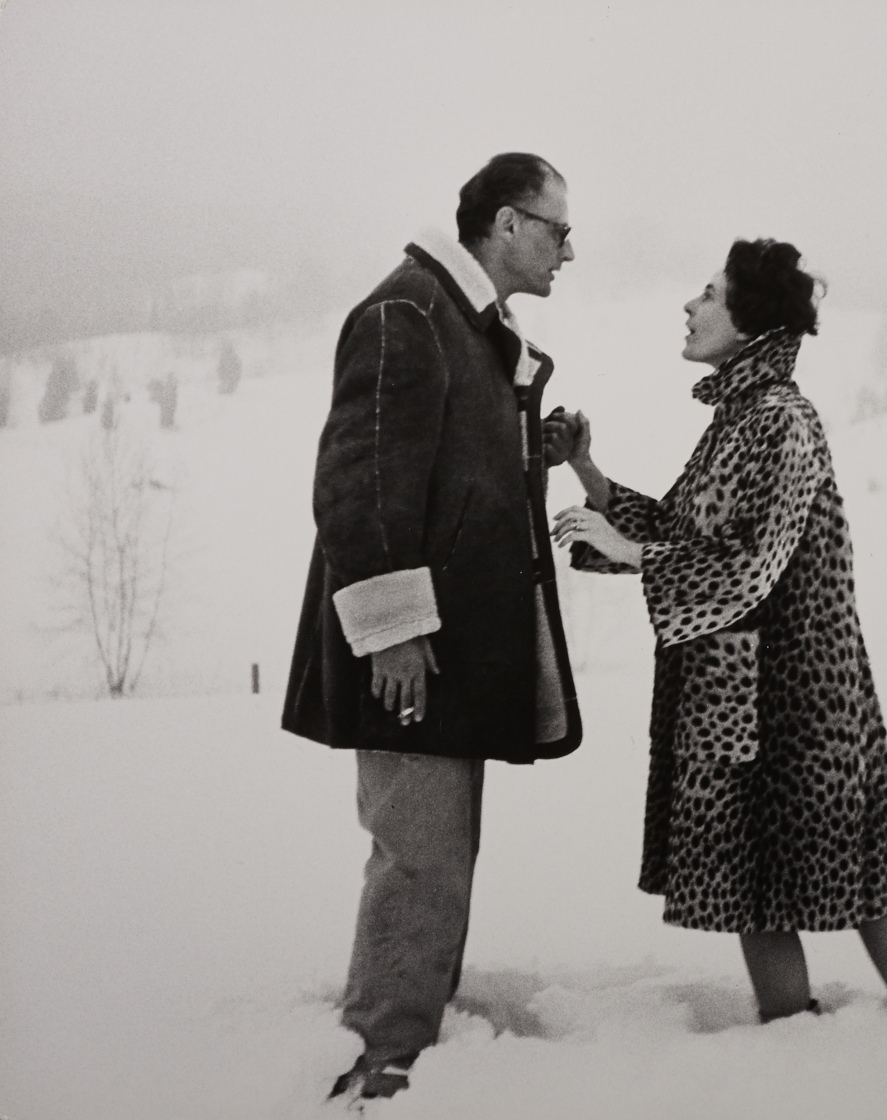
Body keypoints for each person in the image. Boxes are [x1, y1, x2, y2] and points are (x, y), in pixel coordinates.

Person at [550, 238, 887, 1028]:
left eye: (708, 294)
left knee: (863, 884)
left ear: (752, 323)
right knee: (758, 892)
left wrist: (633, 550)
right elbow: (681, 532)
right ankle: (792, 1047)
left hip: (804, 709)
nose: (689, 305)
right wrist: (589, 473)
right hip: (743, 699)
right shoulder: (740, 417)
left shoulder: (781, 423)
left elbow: (750, 565)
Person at [281, 152, 583, 1101]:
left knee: (441, 852)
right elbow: (360, 483)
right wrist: (393, 633)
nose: (567, 250)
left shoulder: (462, 321)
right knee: (419, 853)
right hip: (412, 652)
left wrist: (544, 440)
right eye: (556, 229)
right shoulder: (406, 312)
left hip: (452, 649)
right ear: (503, 224)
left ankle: (409, 1031)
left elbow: (456, 472)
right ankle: (382, 1060)